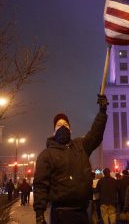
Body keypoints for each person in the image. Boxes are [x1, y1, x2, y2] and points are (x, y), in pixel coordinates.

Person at [33, 94, 108, 224]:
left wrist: (102, 112)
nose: (62, 126)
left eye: (65, 124)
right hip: (60, 213)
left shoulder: (81, 146)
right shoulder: (46, 155)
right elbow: (40, 185)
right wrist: (39, 214)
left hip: (82, 211)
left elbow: (95, 134)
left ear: (70, 129)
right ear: (53, 131)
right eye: (58, 125)